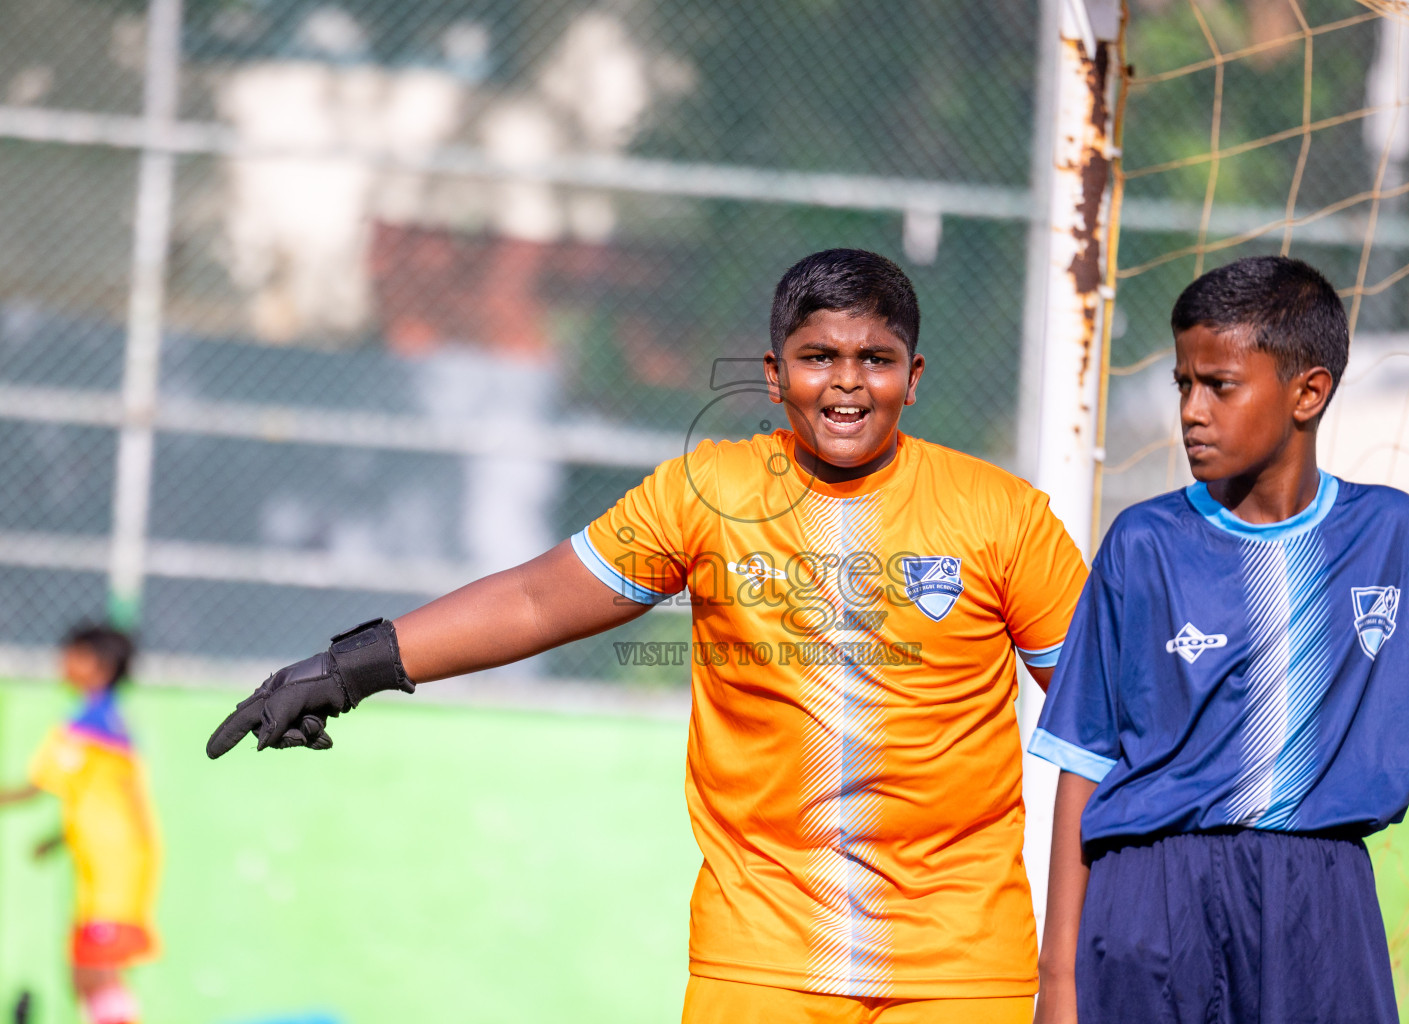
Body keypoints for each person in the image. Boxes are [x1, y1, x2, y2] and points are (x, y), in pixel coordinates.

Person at [208, 248, 1088, 1023]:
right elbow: (536, 599)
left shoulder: (1001, 517)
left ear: (916, 374)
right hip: (762, 955)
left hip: (966, 965)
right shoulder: (705, 491)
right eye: (819, 358)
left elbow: (1106, 724)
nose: (848, 383)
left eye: (876, 360)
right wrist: (347, 669)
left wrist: (1068, 975)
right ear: (775, 377)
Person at [1029, 255, 1409, 1024]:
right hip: (1153, 895)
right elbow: (1085, 760)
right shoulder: (1144, 544)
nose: (1191, 410)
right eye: (1183, 385)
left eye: (1218, 386)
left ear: (1308, 392)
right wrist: (1057, 980)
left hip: (1319, 901)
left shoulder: (1392, 538)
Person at [0, 624, 158, 1024]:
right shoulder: (108, 720)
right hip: (113, 863)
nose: (63, 662)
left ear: (101, 668)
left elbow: (33, 788)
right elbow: (106, 799)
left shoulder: (86, 723)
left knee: (95, 971)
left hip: (111, 868)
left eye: (75, 654)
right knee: (87, 973)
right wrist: (58, 838)